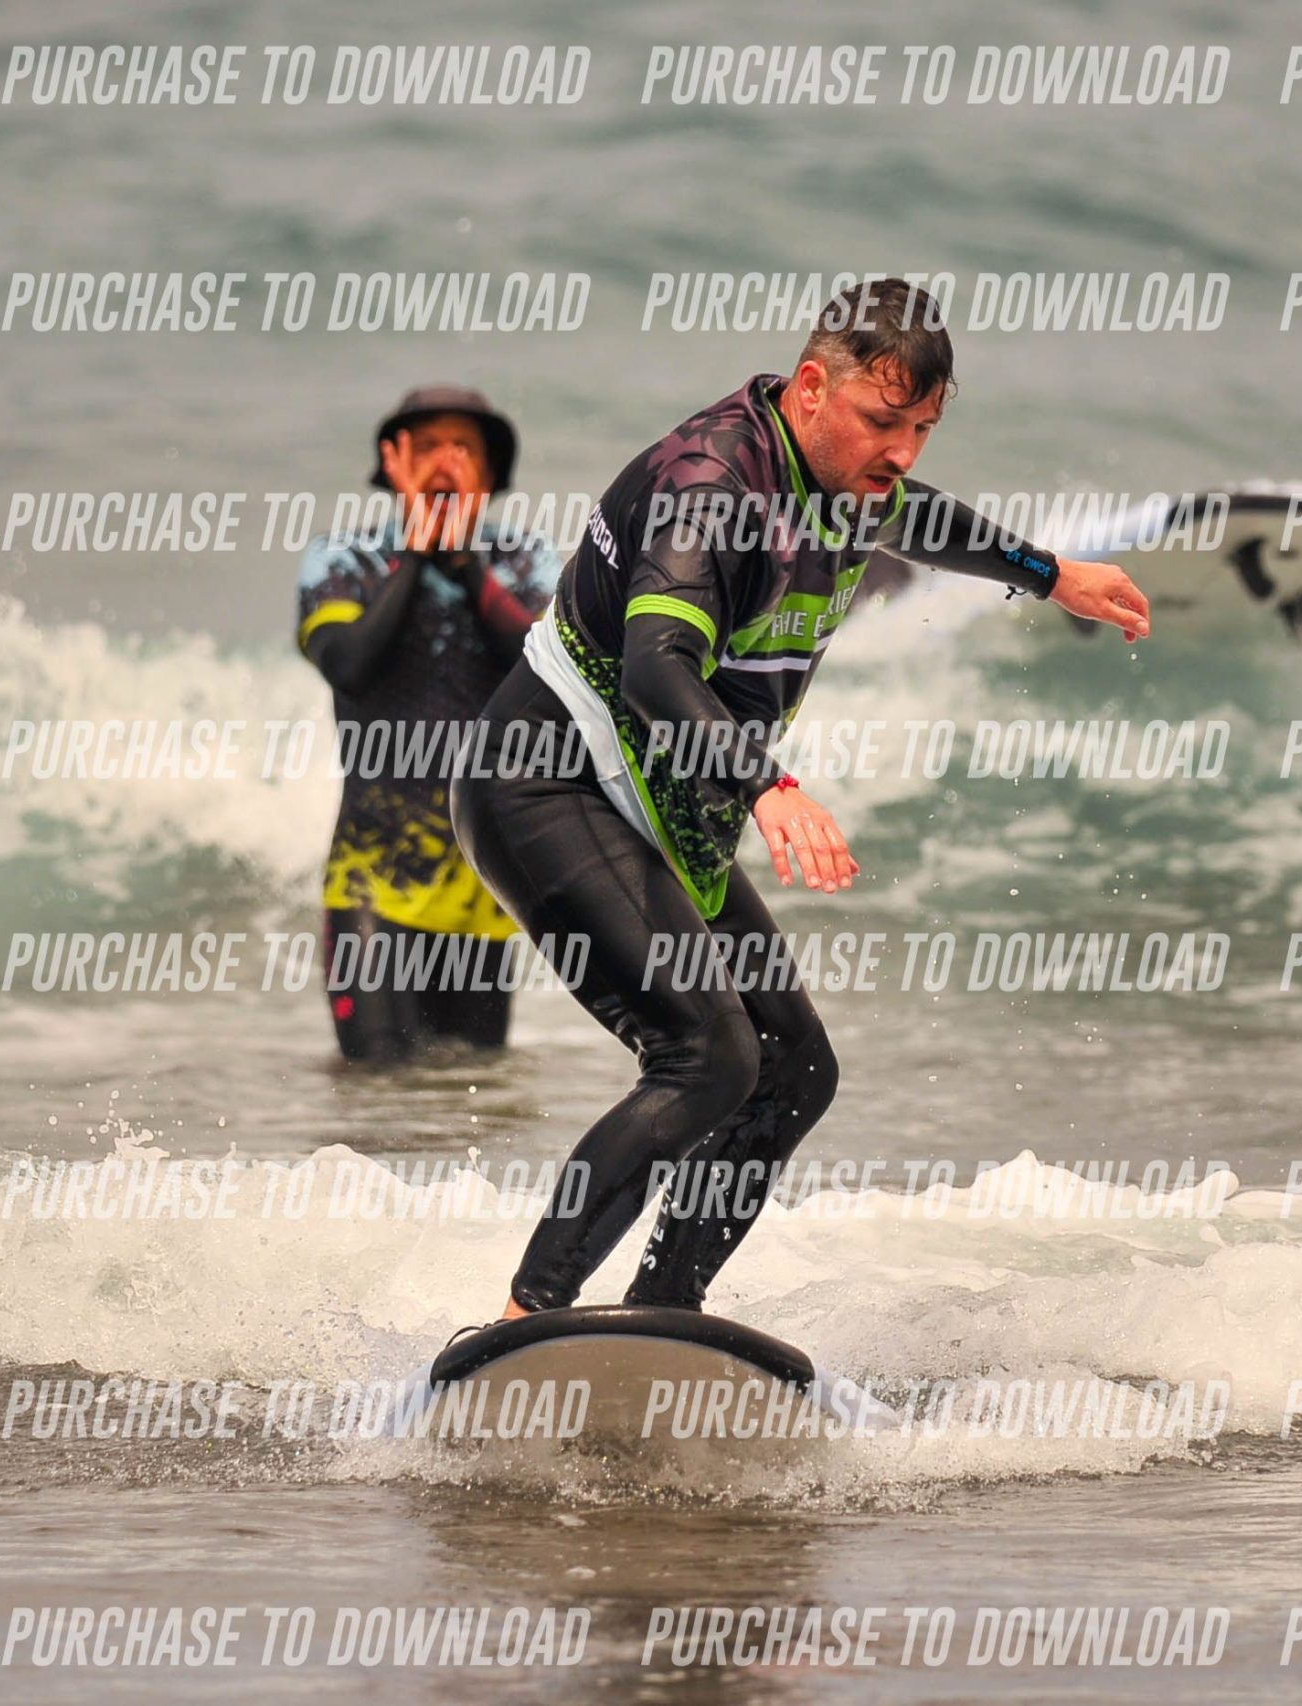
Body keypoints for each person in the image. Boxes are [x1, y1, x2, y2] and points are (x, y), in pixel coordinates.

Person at [451, 279, 1150, 1318]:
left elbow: (923, 518)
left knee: (791, 1067)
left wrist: (1051, 575)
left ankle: (660, 1318)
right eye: (882, 420)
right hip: (545, 778)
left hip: (654, 796)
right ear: (812, 387)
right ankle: (525, 1321)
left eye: (922, 427)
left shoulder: (847, 475)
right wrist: (766, 785)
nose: (901, 451)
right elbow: (655, 665)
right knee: (704, 1055)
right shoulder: (709, 486)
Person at [295, 385, 561, 1063]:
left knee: (469, 1096)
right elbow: (348, 665)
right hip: (371, 879)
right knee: (375, 1087)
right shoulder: (345, 561)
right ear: (394, 464)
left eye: (464, 448)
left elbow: (547, 672)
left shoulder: (526, 564)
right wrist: (415, 556)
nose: (446, 461)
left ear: (491, 474)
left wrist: (466, 563)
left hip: (482, 890)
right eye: (429, 446)